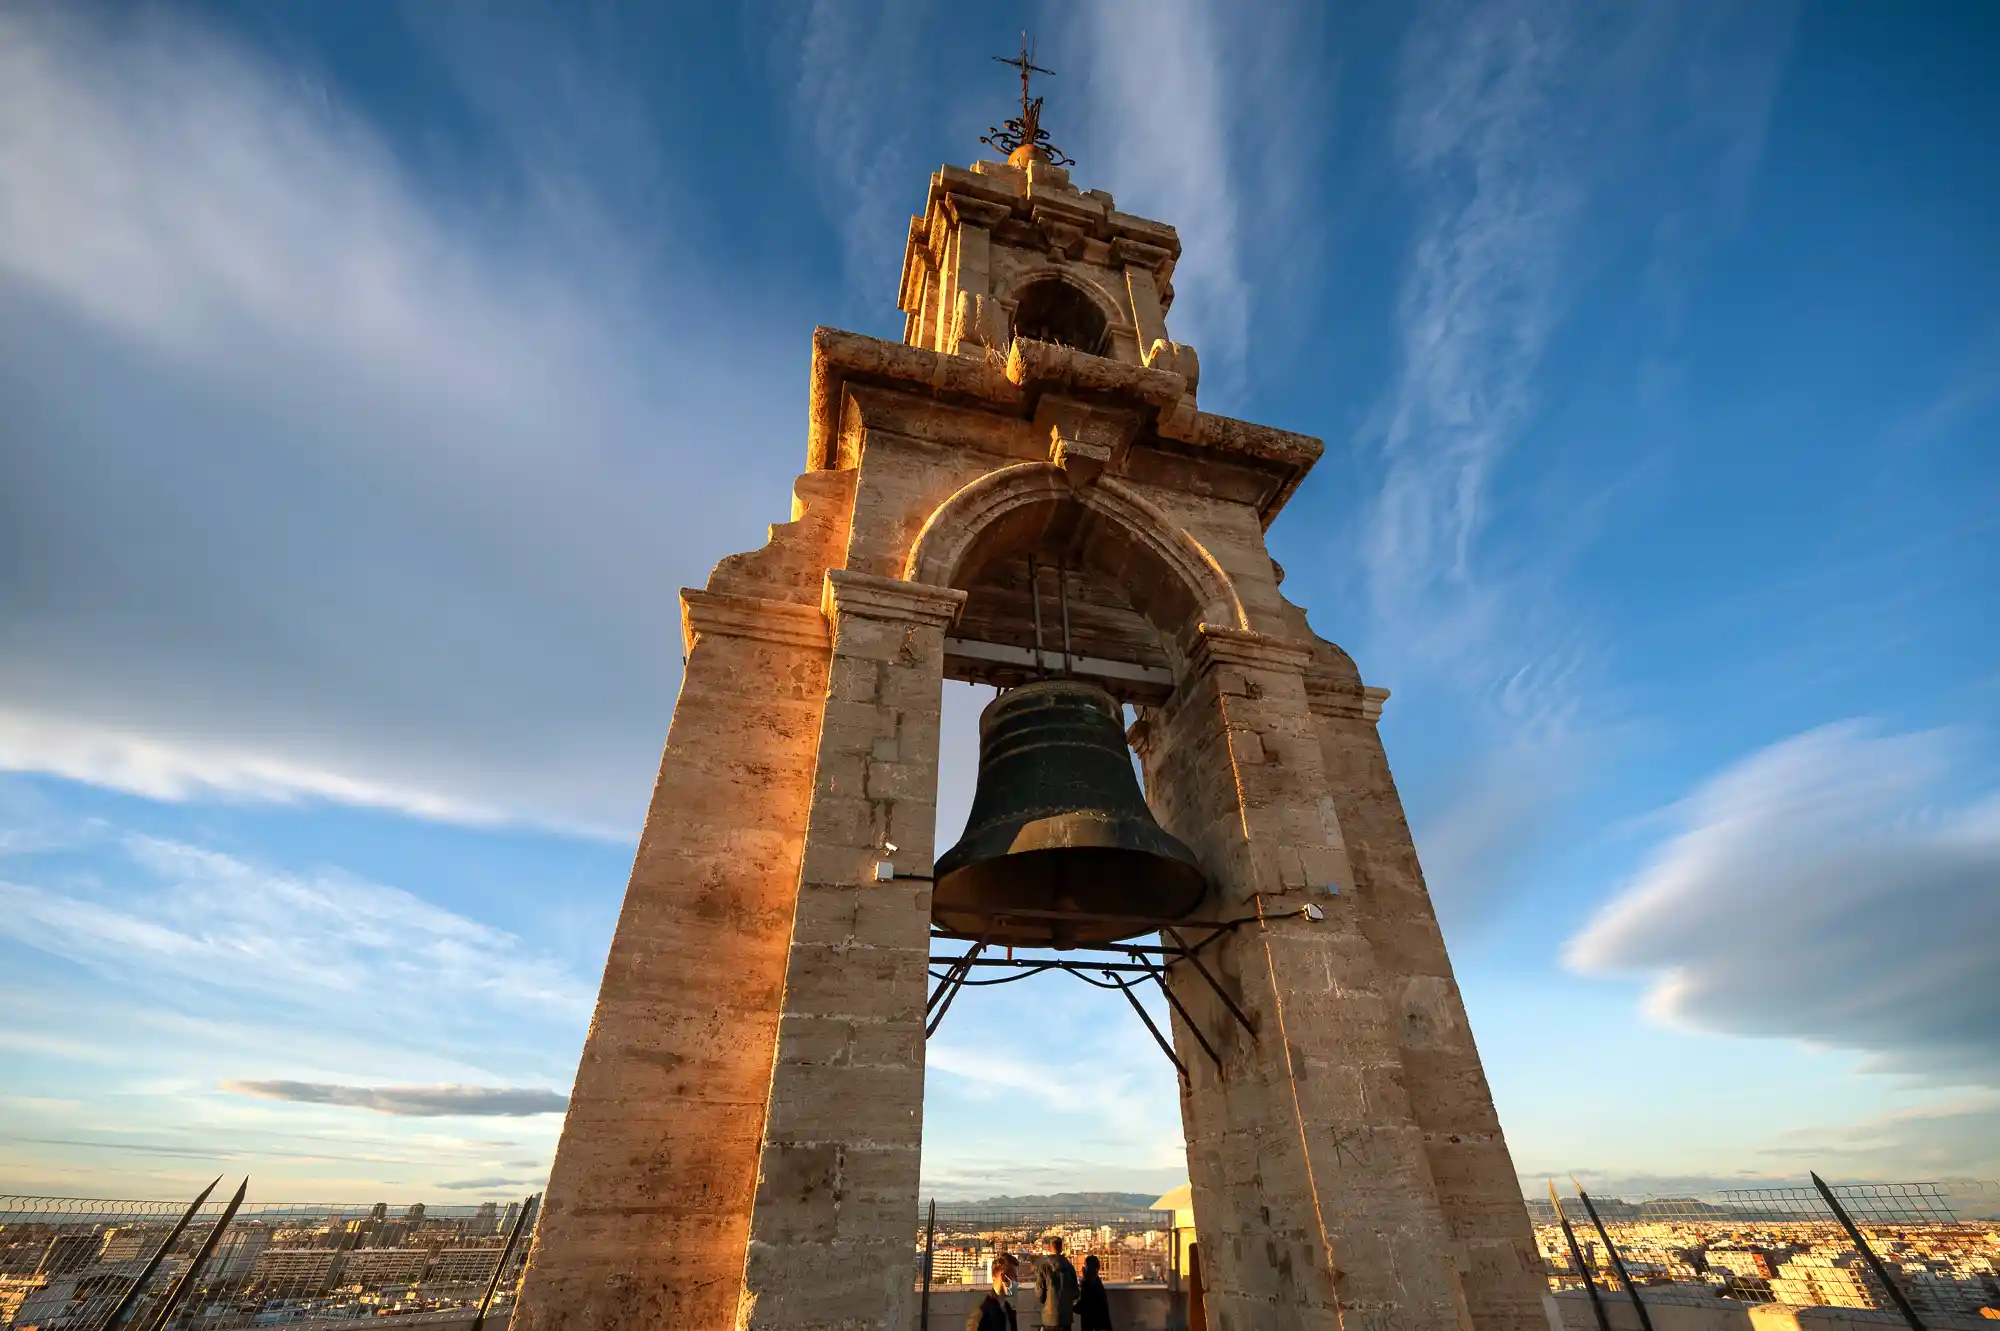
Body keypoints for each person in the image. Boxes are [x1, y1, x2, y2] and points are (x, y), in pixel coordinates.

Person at [1035, 1235, 1078, 1330]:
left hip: (1050, 1318)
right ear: (1061, 1248)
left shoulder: (1044, 1266)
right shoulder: (1070, 1267)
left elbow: (1040, 1294)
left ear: (1049, 1248)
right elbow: (1075, 1293)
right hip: (1066, 1318)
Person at [968, 1252, 1019, 1331]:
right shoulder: (981, 1315)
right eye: (1014, 1277)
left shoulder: (1007, 1309)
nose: (1017, 1281)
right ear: (1003, 1278)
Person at [1076, 1254, 1112, 1330]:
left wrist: (1072, 1307)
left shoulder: (1089, 1285)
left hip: (1093, 1325)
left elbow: (1086, 1305)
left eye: (1085, 1265)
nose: (1083, 1268)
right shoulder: (1096, 1282)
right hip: (1100, 1324)